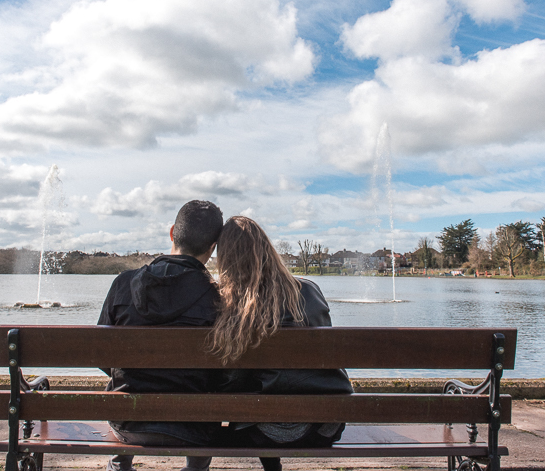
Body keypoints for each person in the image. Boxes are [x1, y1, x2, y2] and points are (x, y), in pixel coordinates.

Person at [209, 216, 353, 471]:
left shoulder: (232, 305)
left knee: (256, 404)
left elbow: (230, 380)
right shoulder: (308, 290)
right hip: (324, 426)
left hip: (261, 431)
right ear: (267, 249)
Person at [97, 200, 223, 471]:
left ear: (171, 233)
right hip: (193, 427)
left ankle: (120, 466)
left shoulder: (122, 284)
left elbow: (102, 357)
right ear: (212, 249)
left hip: (128, 422)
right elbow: (224, 370)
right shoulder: (220, 298)